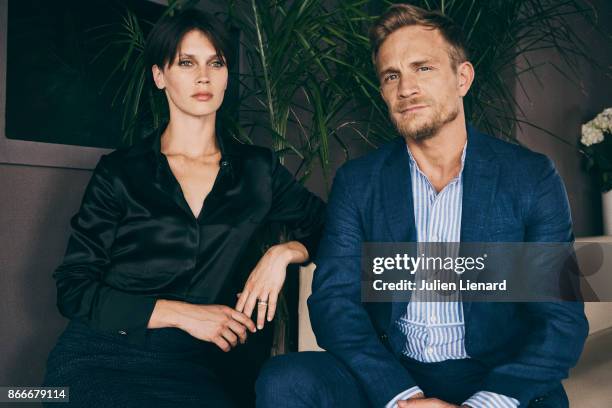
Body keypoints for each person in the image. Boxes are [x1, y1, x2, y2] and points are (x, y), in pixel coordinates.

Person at [256, 4, 587, 408]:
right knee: (285, 380)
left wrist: (484, 404)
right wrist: (402, 397)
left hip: (493, 371)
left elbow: (561, 321)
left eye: (422, 68)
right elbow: (334, 302)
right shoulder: (359, 182)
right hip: (394, 370)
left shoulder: (531, 178)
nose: (405, 88)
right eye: (391, 75)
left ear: (462, 78)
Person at [43, 8, 325, 408]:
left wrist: (283, 253)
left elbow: (329, 228)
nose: (203, 76)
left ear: (227, 76)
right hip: (101, 356)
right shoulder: (120, 172)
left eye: (216, 63)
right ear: (160, 76)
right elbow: (73, 289)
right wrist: (182, 313)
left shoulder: (257, 171)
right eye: (186, 63)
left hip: (198, 368)